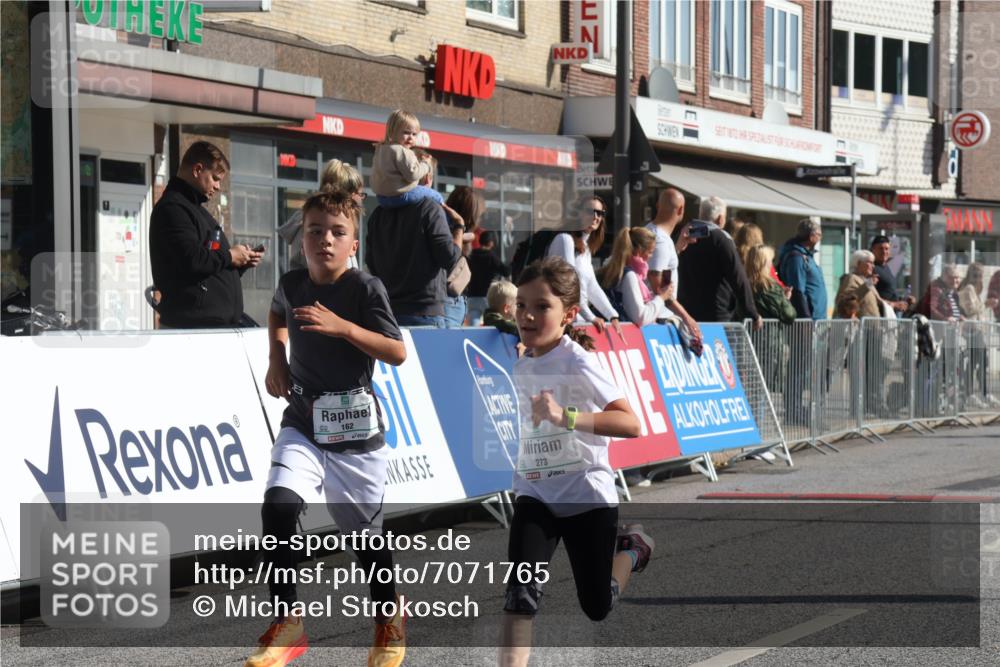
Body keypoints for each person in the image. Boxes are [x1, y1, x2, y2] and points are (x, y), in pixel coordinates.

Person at [250, 189, 408, 667]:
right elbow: (277, 310)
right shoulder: (294, 283)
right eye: (315, 231)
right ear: (302, 241)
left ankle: (389, 619)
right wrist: (277, 358)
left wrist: (344, 329)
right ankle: (289, 622)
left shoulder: (365, 289)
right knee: (278, 508)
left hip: (355, 433)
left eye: (337, 232)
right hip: (302, 420)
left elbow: (397, 351)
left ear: (353, 244)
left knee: (366, 542)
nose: (325, 240)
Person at [499, 256, 650, 667]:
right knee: (520, 595)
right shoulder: (523, 360)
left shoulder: (578, 362)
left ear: (568, 314)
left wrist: (565, 417)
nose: (528, 315)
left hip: (586, 495)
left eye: (542, 307)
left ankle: (632, 549)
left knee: (597, 606)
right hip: (535, 493)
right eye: (522, 305)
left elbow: (630, 423)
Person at [149, 141, 263, 328]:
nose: (218, 187)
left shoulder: (194, 210)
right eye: (215, 178)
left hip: (208, 325)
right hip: (192, 328)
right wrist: (229, 256)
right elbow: (192, 260)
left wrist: (238, 264)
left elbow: (205, 268)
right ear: (197, 170)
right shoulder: (173, 209)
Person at [365, 178, 462, 328]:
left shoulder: (378, 215)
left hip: (389, 313)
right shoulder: (429, 208)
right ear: (424, 178)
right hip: (425, 313)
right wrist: (459, 228)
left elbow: (371, 263)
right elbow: (449, 257)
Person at [599, 227, 700, 340]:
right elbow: (641, 317)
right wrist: (661, 297)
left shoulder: (614, 268)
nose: (651, 257)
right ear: (639, 251)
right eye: (650, 252)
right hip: (624, 339)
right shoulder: (629, 276)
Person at [677, 196, 762, 328]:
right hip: (716, 313)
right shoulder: (721, 239)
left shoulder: (684, 235)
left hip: (686, 311)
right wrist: (752, 312)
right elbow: (738, 277)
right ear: (720, 219)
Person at [545, 196, 623, 336]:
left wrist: (612, 316)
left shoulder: (585, 248)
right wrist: (590, 317)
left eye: (599, 213)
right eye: (589, 211)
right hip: (559, 319)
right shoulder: (565, 240)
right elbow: (570, 286)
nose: (595, 217)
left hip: (574, 316)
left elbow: (592, 286)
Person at [277, 159, 365, 272]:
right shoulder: (308, 227)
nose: (327, 240)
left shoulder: (307, 223)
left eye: (338, 233)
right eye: (359, 194)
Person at [370, 109, 443, 208]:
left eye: (414, 134)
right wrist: (426, 164)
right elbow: (413, 174)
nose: (411, 138)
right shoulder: (402, 151)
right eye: (406, 133)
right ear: (392, 131)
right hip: (401, 196)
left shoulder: (381, 150)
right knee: (437, 196)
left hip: (382, 198)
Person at [644, 188, 696, 295]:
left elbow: (663, 266)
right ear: (681, 210)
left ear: (657, 206)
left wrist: (677, 248)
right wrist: (681, 312)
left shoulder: (649, 230)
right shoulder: (661, 240)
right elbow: (659, 288)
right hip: (659, 310)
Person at [777, 217, 828, 320]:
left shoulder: (807, 256)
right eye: (819, 235)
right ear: (811, 236)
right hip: (809, 320)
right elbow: (797, 291)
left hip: (817, 318)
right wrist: (806, 319)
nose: (820, 238)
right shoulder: (797, 258)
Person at [468, 230, 511, 325]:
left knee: (473, 324)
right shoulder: (491, 256)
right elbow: (506, 271)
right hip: (487, 296)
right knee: (491, 322)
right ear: (491, 243)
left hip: (471, 295)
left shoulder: (471, 255)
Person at [745, 245, 796, 324]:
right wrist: (785, 299)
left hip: (746, 333)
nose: (771, 264)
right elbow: (789, 315)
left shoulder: (743, 283)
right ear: (765, 263)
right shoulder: (769, 286)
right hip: (769, 334)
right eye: (771, 260)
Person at [870, 235, 914, 314]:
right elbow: (871, 297)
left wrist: (904, 300)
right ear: (873, 250)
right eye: (880, 248)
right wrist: (893, 304)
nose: (884, 252)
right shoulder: (871, 268)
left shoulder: (886, 267)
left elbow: (889, 292)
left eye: (886, 249)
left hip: (891, 315)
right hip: (880, 316)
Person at [834, 250, 882, 319]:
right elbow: (847, 300)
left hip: (872, 326)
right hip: (860, 326)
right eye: (870, 263)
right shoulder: (851, 278)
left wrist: (894, 304)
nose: (873, 266)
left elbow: (879, 300)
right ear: (859, 263)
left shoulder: (865, 281)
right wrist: (867, 285)